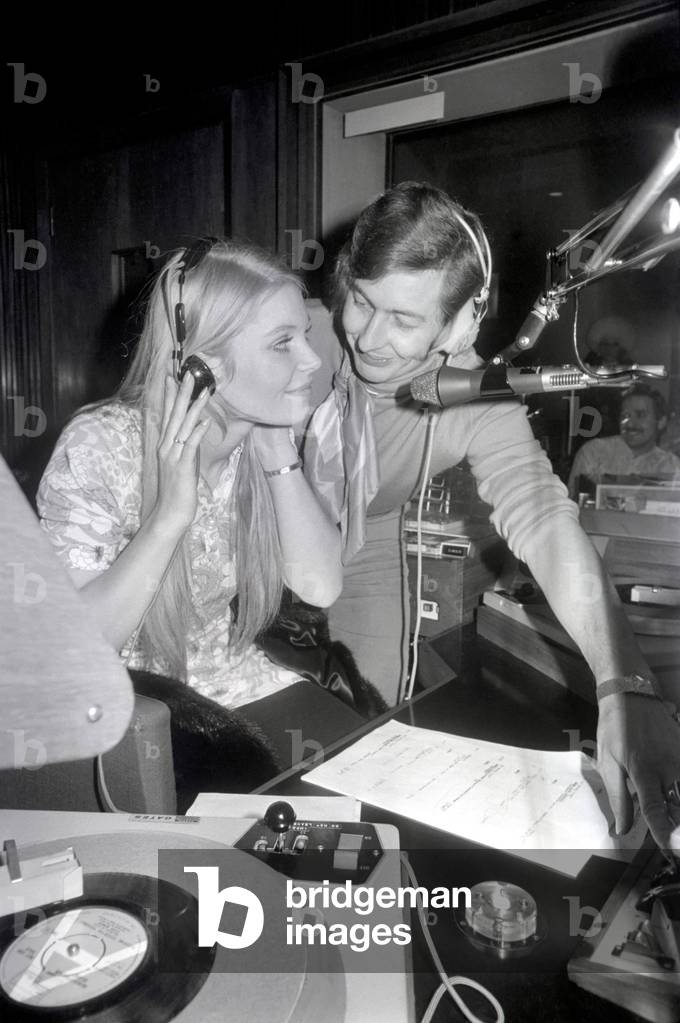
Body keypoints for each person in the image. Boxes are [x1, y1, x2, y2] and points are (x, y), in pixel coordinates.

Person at [303, 181, 680, 849]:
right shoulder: (299, 337)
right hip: (254, 545)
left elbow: (542, 516)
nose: (365, 335)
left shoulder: (475, 398)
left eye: (403, 318)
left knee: (361, 749)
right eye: (361, 300)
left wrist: (625, 680)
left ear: (458, 325)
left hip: (364, 558)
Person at [37, 239, 352, 784]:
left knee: (362, 784)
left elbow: (320, 586)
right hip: (141, 713)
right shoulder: (100, 446)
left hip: (236, 681)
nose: (312, 359)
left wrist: (278, 454)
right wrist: (169, 518)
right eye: (283, 343)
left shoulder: (258, 440)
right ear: (202, 367)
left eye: (303, 334)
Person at [568, 383, 680, 499]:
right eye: (625, 416)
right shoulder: (594, 452)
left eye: (640, 415)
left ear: (661, 422)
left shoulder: (671, 466)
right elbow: (572, 506)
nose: (630, 423)